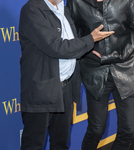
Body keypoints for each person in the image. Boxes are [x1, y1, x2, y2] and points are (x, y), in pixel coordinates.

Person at [19, 0, 114, 149]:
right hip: (41, 90)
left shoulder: (64, 10)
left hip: (65, 89)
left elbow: (73, 42)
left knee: (61, 143)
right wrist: (91, 39)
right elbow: (56, 47)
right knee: (33, 144)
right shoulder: (32, 10)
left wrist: (88, 52)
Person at [67, 0, 134, 150]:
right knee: (96, 130)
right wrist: (86, 49)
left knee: (128, 130)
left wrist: (117, 55)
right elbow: (73, 32)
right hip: (94, 72)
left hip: (126, 70)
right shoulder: (75, 2)